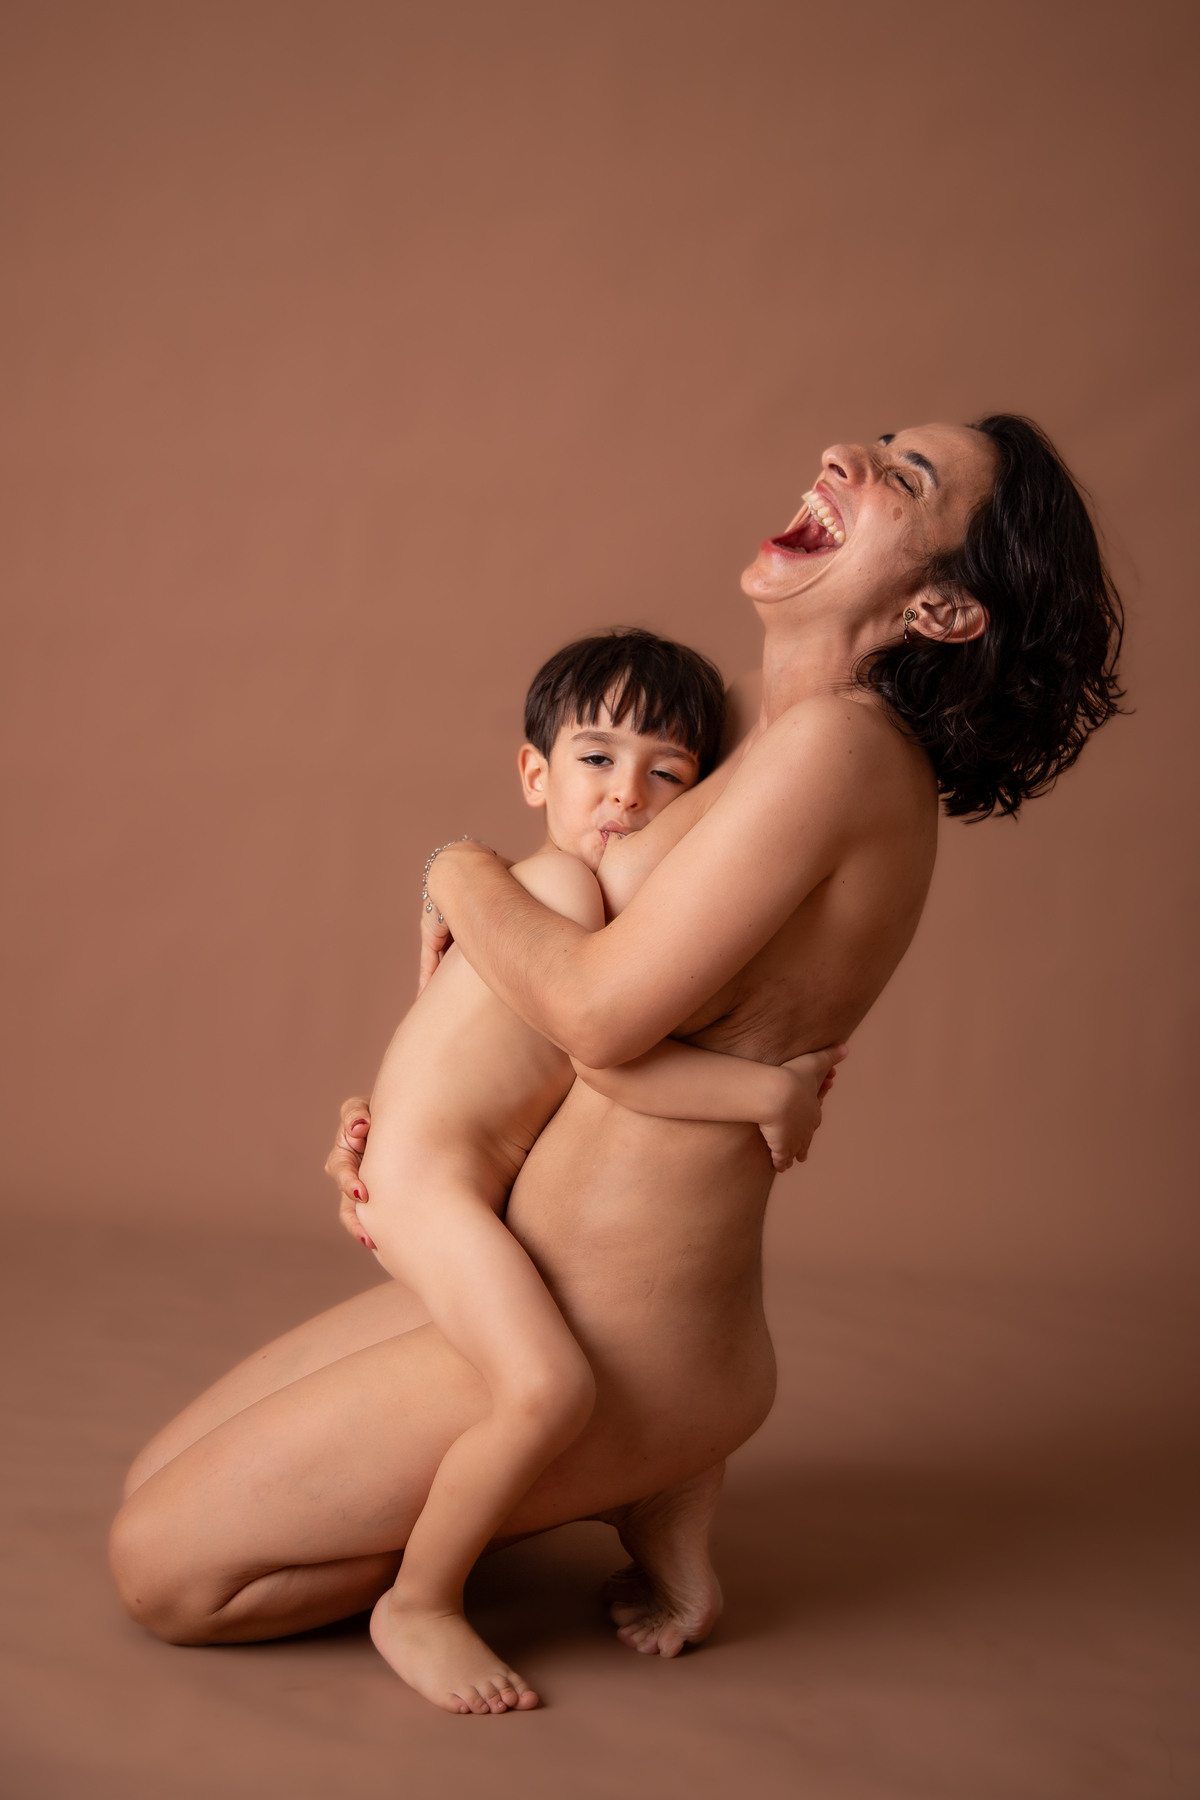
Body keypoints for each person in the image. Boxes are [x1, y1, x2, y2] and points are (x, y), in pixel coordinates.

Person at [110, 415, 1122, 1711]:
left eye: (905, 475)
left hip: (628, 1343)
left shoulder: (844, 754)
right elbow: (555, 994)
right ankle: (627, 1489)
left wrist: (454, 870)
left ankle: (570, 1500)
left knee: (165, 1574)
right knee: (149, 1482)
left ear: (942, 609)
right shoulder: (741, 720)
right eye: (873, 439)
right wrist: (412, 1122)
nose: (845, 456)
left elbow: (595, 1014)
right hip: (532, 1275)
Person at [343, 629, 842, 1713]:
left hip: (468, 1176)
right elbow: (607, 1065)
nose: (628, 793)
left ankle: (661, 1491)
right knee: (549, 1386)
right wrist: (771, 1092)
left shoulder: (573, 901)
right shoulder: (563, 890)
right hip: (432, 1190)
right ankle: (420, 1601)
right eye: (598, 759)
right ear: (535, 774)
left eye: (669, 773)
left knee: (631, 1340)